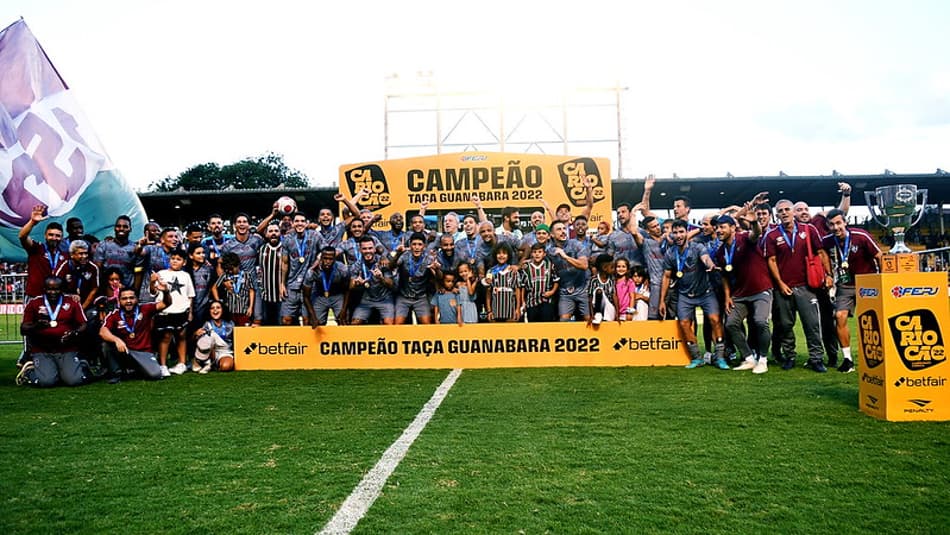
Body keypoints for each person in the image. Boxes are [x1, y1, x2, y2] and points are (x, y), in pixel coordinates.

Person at [763, 199, 833, 372]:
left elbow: (821, 252)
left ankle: (816, 358)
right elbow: (771, 260)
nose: (785, 213)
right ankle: (790, 356)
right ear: (776, 215)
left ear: (793, 212)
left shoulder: (809, 230)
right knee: (786, 325)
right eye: (781, 211)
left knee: (812, 324)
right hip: (783, 287)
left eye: (788, 209)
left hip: (806, 286)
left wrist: (828, 274)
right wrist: (780, 283)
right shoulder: (771, 235)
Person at [659, 220, 728, 369]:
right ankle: (696, 358)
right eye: (675, 232)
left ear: (686, 232)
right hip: (685, 294)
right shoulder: (670, 253)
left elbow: (706, 258)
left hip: (706, 292)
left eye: (681, 232)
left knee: (715, 319)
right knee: (684, 323)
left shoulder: (697, 247)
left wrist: (710, 265)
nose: (678, 235)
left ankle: (720, 357)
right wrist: (662, 301)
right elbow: (666, 277)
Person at [821, 208, 882, 373]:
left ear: (845, 222)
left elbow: (879, 256)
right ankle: (848, 359)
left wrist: (882, 281)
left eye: (839, 223)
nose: (836, 227)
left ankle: (882, 355)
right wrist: (827, 274)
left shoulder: (861, 236)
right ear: (828, 226)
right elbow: (821, 254)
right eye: (832, 224)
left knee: (874, 320)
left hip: (867, 284)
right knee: (839, 316)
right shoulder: (827, 241)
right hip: (845, 286)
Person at [713, 214, 772, 374]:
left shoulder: (745, 238)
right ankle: (748, 358)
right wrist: (727, 297)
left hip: (760, 289)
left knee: (760, 322)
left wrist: (753, 221)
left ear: (732, 228)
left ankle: (763, 360)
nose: (718, 230)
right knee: (730, 324)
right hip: (739, 294)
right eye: (717, 227)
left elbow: (756, 233)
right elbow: (725, 276)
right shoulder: (720, 252)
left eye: (722, 227)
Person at [16, 277, 89, 387]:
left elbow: (83, 324)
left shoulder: (72, 302)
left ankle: (80, 364)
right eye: (49, 289)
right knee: (47, 382)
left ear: (62, 289)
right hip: (42, 349)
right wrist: (36, 326)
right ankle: (29, 370)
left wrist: (74, 333)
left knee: (74, 381)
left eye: (56, 289)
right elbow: (23, 329)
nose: (53, 292)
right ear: (44, 289)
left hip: (66, 348)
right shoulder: (34, 303)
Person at [99, 283, 173, 383]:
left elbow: (166, 303)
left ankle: (134, 370)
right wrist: (116, 340)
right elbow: (102, 332)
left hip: (143, 352)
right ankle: (116, 373)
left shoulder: (145, 309)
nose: (128, 301)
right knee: (106, 344)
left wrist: (166, 292)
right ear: (119, 301)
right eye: (124, 299)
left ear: (136, 299)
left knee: (155, 375)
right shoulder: (114, 314)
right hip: (125, 350)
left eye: (131, 298)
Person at [151, 247, 195, 377]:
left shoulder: (186, 275)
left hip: (182, 311)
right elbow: (154, 292)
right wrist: (152, 282)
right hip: (166, 311)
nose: (175, 261)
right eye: (173, 259)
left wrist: (190, 312)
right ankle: (163, 365)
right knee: (166, 337)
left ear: (184, 262)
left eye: (178, 259)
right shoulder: (161, 273)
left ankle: (182, 363)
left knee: (181, 336)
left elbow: (190, 295)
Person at [280, 212, 320, 325]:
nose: (300, 224)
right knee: (286, 320)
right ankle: (291, 342)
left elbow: (324, 251)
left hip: (309, 286)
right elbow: (284, 262)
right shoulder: (287, 239)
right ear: (292, 223)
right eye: (297, 221)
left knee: (307, 320)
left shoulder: (315, 236)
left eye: (302, 221)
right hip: (292, 285)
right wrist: (282, 283)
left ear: (307, 223)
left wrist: (314, 266)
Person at [349, 236, 397, 325]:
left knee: (389, 324)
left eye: (370, 248)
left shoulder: (383, 262)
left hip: (385, 299)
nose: (367, 251)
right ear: (360, 250)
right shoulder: (357, 265)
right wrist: (356, 283)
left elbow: (391, 284)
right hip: (366, 299)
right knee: (355, 323)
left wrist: (381, 278)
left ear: (375, 249)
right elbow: (351, 286)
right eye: (364, 249)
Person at [549, 220, 590, 322]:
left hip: (582, 289)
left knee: (588, 319)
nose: (563, 231)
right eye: (559, 229)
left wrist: (565, 256)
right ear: (552, 235)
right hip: (565, 292)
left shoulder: (576, 245)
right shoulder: (549, 250)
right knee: (563, 320)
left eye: (564, 229)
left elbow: (584, 265)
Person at [393, 232, 435, 324]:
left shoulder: (429, 259)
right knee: (397, 325)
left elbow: (438, 277)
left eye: (419, 244)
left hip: (421, 297)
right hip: (403, 296)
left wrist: (436, 269)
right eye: (414, 244)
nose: (416, 247)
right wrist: (397, 254)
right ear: (410, 245)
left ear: (424, 246)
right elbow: (392, 266)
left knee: (427, 324)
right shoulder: (404, 256)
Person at [303, 247, 350, 327]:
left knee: (343, 321)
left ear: (335, 259)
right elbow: (306, 296)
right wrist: (313, 316)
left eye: (331, 259)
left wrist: (344, 310)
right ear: (320, 258)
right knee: (316, 324)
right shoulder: (312, 272)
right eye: (325, 258)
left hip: (337, 295)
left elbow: (347, 290)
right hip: (319, 296)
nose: (327, 262)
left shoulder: (343, 269)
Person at [93, 215, 137, 288]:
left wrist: (134, 289)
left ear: (130, 229)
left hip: (126, 289)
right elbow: (97, 270)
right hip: (106, 289)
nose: (121, 229)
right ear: (114, 228)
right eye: (118, 226)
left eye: (125, 227)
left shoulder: (135, 248)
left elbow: (137, 271)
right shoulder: (104, 245)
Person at [520, 241, 559, 323]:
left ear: (544, 254)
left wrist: (552, 292)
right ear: (531, 254)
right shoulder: (526, 268)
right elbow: (523, 286)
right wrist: (523, 301)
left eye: (540, 252)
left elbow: (556, 280)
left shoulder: (549, 265)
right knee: (533, 326)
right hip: (531, 301)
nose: (537, 254)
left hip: (546, 301)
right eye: (534, 252)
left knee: (546, 325)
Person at [214, 252, 255, 327]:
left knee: (243, 331)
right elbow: (214, 288)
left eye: (231, 269)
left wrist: (250, 307)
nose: (230, 271)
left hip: (243, 310)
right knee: (231, 331)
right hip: (230, 311)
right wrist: (219, 302)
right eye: (228, 269)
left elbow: (251, 291)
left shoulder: (246, 275)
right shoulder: (225, 276)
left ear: (237, 265)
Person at [192, 300, 235, 373]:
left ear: (223, 310)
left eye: (218, 307)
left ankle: (212, 365)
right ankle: (200, 360)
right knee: (206, 340)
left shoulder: (230, 324)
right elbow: (195, 341)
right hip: (210, 352)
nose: (215, 310)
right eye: (212, 308)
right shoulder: (206, 324)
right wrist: (195, 334)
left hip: (225, 352)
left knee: (226, 366)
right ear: (209, 311)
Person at [484, 242, 522, 323]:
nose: (501, 256)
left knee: (510, 335)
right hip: (495, 311)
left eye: (504, 253)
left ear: (508, 255)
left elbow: (518, 290)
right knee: (495, 334)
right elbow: (488, 292)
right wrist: (489, 311)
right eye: (499, 253)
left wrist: (518, 309)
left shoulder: (513, 271)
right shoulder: (491, 271)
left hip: (510, 311)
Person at [257, 222, 284, 325]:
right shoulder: (261, 249)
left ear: (280, 233)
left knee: (281, 324)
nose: (273, 233)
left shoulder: (286, 248)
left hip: (282, 297)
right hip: (265, 296)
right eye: (271, 231)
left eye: (276, 231)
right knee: (266, 325)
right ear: (266, 234)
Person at [587, 254, 617, 326]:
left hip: (609, 307)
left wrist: (617, 313)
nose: (614, 269)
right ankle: (598, 314)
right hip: (597, 307)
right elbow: (590, 299)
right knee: (599, 291)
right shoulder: (594, 280)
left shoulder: (611, 280)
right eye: (612, 267)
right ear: (604, 268)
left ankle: (604, 317)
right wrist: (592, 315)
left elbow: (614, 297)